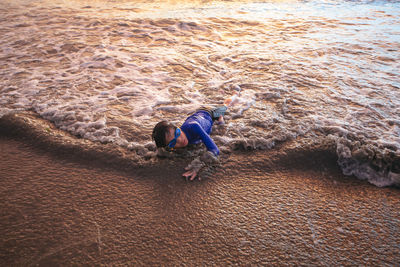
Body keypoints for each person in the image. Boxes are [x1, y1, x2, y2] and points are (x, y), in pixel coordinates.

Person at [152, 93, 239, 181]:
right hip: (198, 115)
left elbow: (215, 150)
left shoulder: (194, 127)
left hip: (210, 112)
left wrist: (197, 165)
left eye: (177, 133)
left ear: (178, 128)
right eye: (173, 142)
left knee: (224, 109)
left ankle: (235, 94)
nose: (180, 140)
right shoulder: (170, 145)